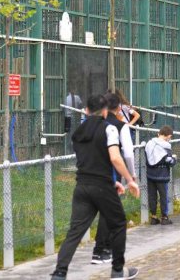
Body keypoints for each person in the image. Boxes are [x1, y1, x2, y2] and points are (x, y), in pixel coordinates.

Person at [51, 95, 139, 280]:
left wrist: (112, 181)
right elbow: (115, 158)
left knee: (75, 232)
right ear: (106, 111)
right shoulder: (110, 129)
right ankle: (117, 271)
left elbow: (90, 160)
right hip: (101, 187)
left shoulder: (77, 133)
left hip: (82, 186)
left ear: (86, 111)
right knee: (118, 224)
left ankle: (59, 273)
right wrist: (129, 179)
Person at [91, 93, 136, 265]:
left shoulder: (92, 125)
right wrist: (131, 176)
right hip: (111, 173)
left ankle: (104, 248)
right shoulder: (120, 126)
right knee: (109, 211)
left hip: (90, 171)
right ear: (118, 108)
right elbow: (128, 154)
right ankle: (102, 249)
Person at [145, 126, 177, 225]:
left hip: (150, 174)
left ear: (159, 133)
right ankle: (164, 217)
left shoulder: (149, 143)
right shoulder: (166, 146)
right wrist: (175, 159)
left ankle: (153, 217)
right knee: (163, 196)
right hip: (162, 175)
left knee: (152, 196)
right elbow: (169, 161)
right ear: (169, 136)